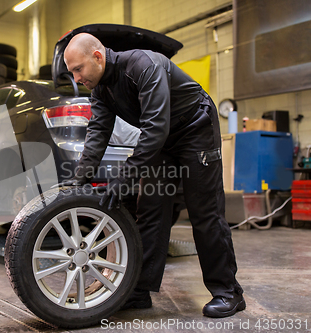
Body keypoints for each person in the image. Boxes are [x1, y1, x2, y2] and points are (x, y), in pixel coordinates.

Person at [63, 33, 244, 318]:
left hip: (194, 127)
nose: (76, 78)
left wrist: (126, 176)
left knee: (204, 212)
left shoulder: (143, 66)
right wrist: (79, 179)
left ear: (97, 57)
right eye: (72, 72)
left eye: (78, 69)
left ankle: (228, 291)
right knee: (151, 210)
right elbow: (97, 132)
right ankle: (138, 290)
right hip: (164, 139)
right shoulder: (101, 90)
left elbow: (155, 128)